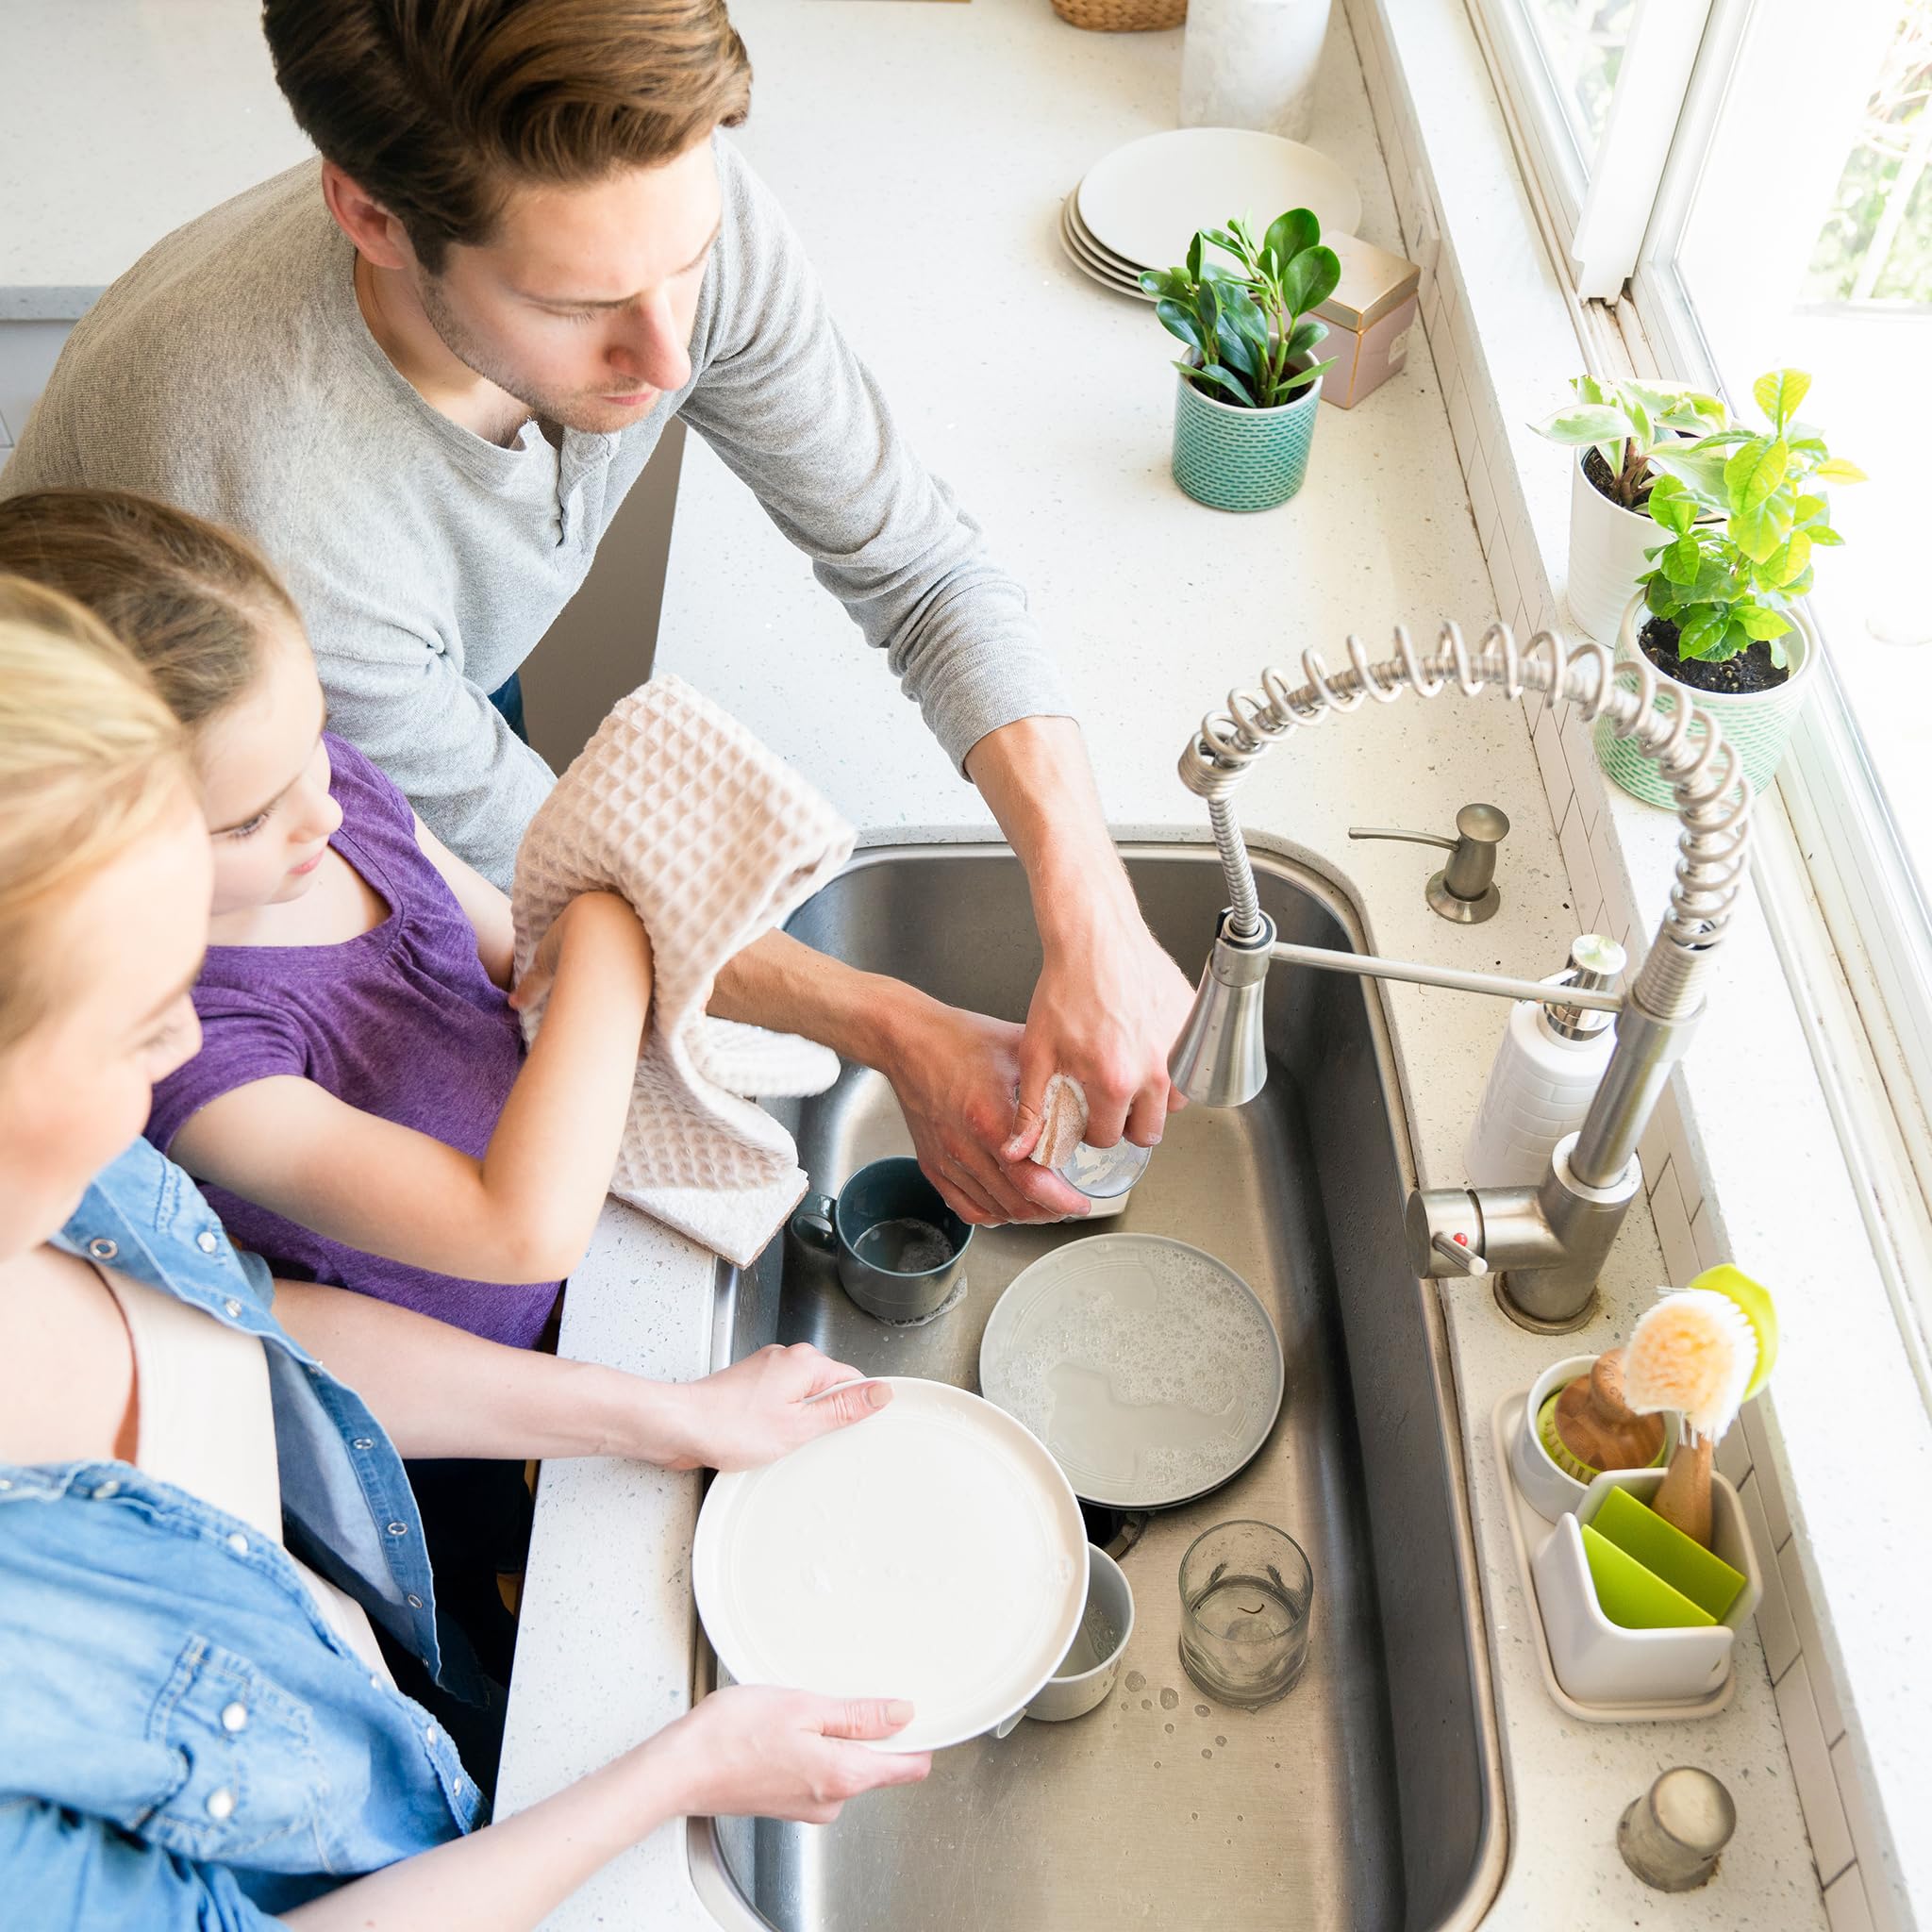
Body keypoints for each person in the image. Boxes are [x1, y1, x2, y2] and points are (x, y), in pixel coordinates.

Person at [0, 0, 1194, 1228]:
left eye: (689, 260)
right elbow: (546, 879)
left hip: (407, 676)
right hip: (188, 862)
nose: (672, 355)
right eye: (580, 305)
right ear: (371, 216)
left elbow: (922, 571)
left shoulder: (659, 218)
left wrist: (1089, 905)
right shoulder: (282, 514)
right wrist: (894, 1026)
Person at [0, 482, 1052, 1774]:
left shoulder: (327, 806)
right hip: (446, 1414)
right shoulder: (196, 1046)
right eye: (250, 817)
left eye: (317, 743)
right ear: (108, 851)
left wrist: (574, 947)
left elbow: (511, 953)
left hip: (570, 1304)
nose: (322, 813)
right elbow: (521, 1220)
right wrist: (615, 914)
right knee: (502, 1604)